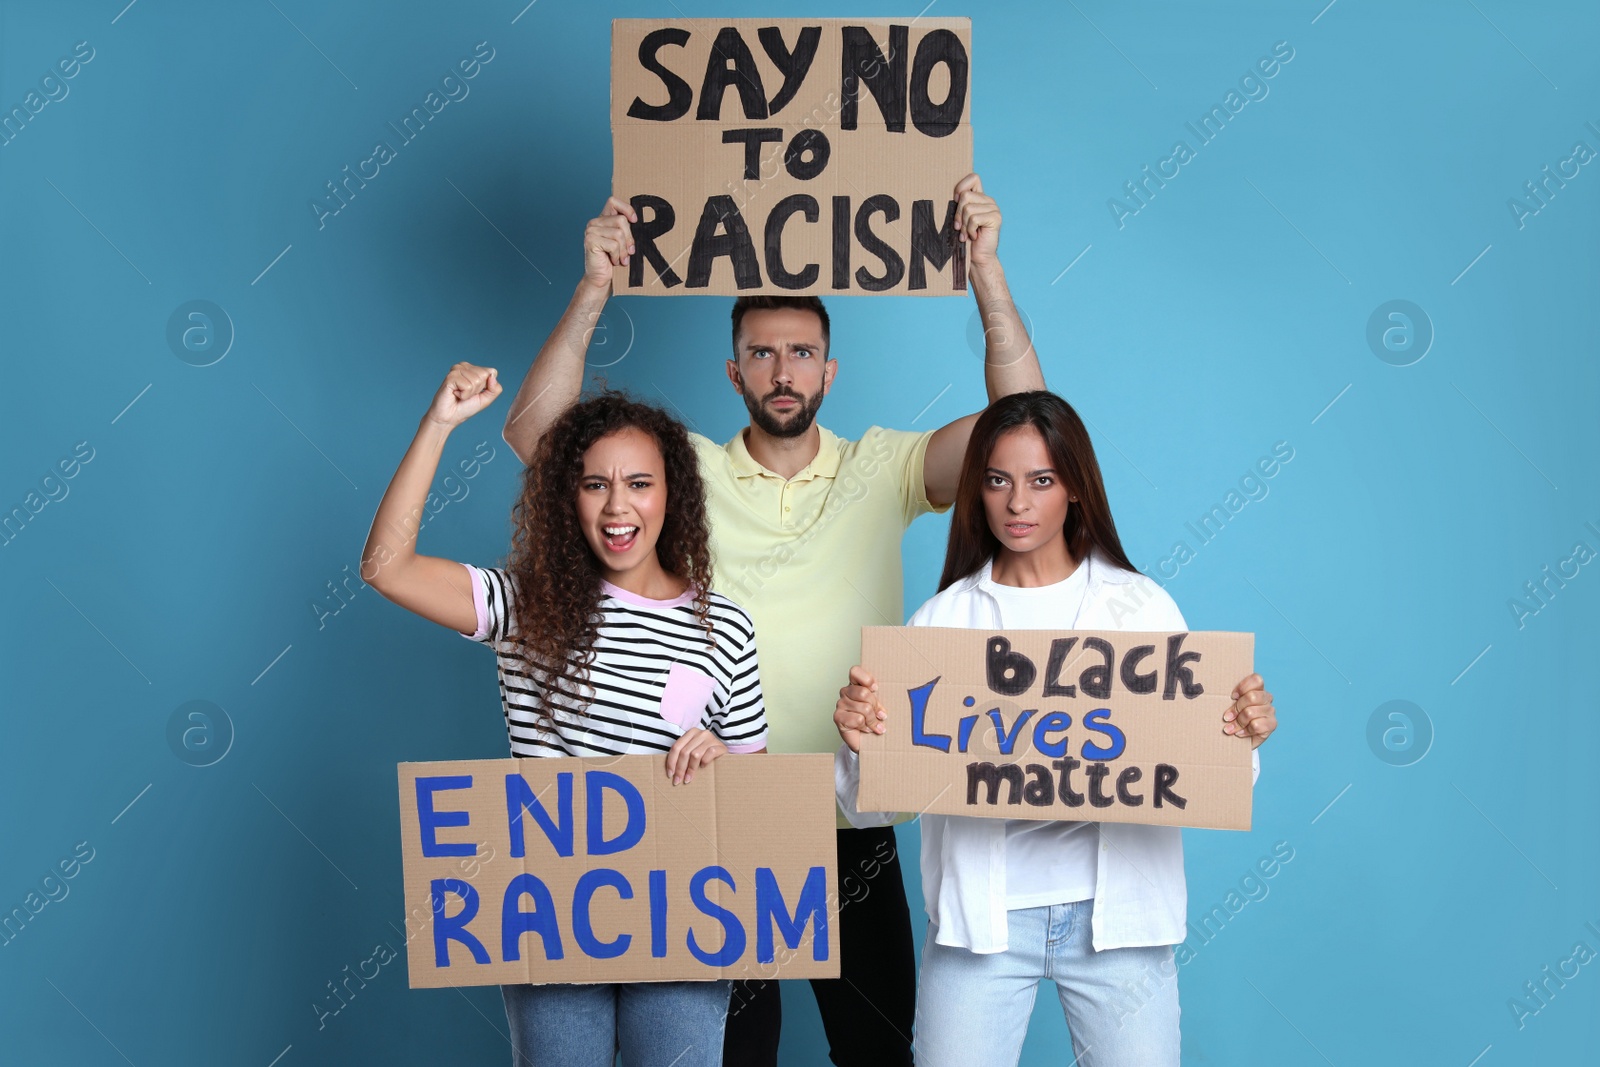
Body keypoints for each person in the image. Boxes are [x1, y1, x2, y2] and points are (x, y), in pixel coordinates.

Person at [501, 174, 1043, 1067]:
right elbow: (536, 435)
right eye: (762, 352)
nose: (783, 371)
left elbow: (1025, 431)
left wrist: (987, 276)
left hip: (851, 811)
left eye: (800, 352)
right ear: (734, 370)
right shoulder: (688, 474)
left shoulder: (886, 464)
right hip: (717, 814)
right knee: (734, 1057)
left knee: (879, 1050)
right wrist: (595, 285)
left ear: (829, 370)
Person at [833, 391, 1279, 1067]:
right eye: (998, 480)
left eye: (1041, 480)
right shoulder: (939, 622)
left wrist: (1241, 734)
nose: (1018, 502)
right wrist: (860, 740)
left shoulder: (1140, 606)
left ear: (1074, 487)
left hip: (1117, 922)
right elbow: (867, 801)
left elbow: (1206, 775)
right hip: (980, 926)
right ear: (977, 491)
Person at [362, 363, 768, 1067]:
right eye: (595, 484)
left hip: (683, 910)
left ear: (672, 494)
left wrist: (724, 761)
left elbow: (760, 802)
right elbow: (385, 566)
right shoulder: (526, 605)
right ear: (568, 497)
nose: (619, 507)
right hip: (549, 908)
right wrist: (439, 426)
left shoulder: (726, 627)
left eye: (639, 483)